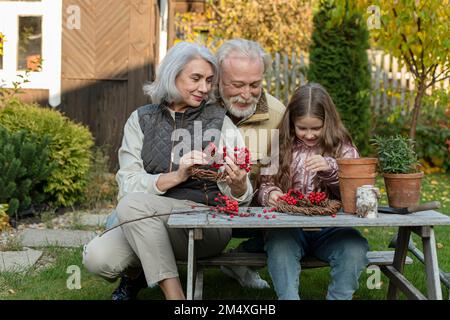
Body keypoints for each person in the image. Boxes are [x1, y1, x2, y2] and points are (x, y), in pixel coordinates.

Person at [82, 41, 253, 300]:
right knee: (98, 258)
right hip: (147, 220)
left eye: (208, 80)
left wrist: (240, 185)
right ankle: (155, 273)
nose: (204, 88)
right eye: (195, 78)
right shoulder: (140, 120)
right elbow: (127, 184)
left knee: (131, 207)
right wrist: (177, 176)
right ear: (172, 76)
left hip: (206, 224)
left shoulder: (220, 122)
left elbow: (243, 197)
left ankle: (176, 298)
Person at [257, 83, 369, 300]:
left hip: (331, 229)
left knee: (354, 248)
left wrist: (331, 170)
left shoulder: (343, 148)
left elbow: (356, 192)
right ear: (292, 123)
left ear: (328, 123)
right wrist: (269, 194)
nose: (309, 135)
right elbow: (264, 183)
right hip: (288, 227)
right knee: (280, 247)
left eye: (316, 128)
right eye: (302, 128)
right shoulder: (280, 145)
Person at [215, 39, 286, 289]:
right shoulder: (199, 107)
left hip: (255, 216)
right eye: (237, 85)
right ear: (219, 79)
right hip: (201, 210)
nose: (246, 94)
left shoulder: (278, 115)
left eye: (254, 85)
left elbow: (287, 173)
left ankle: (244, 261)